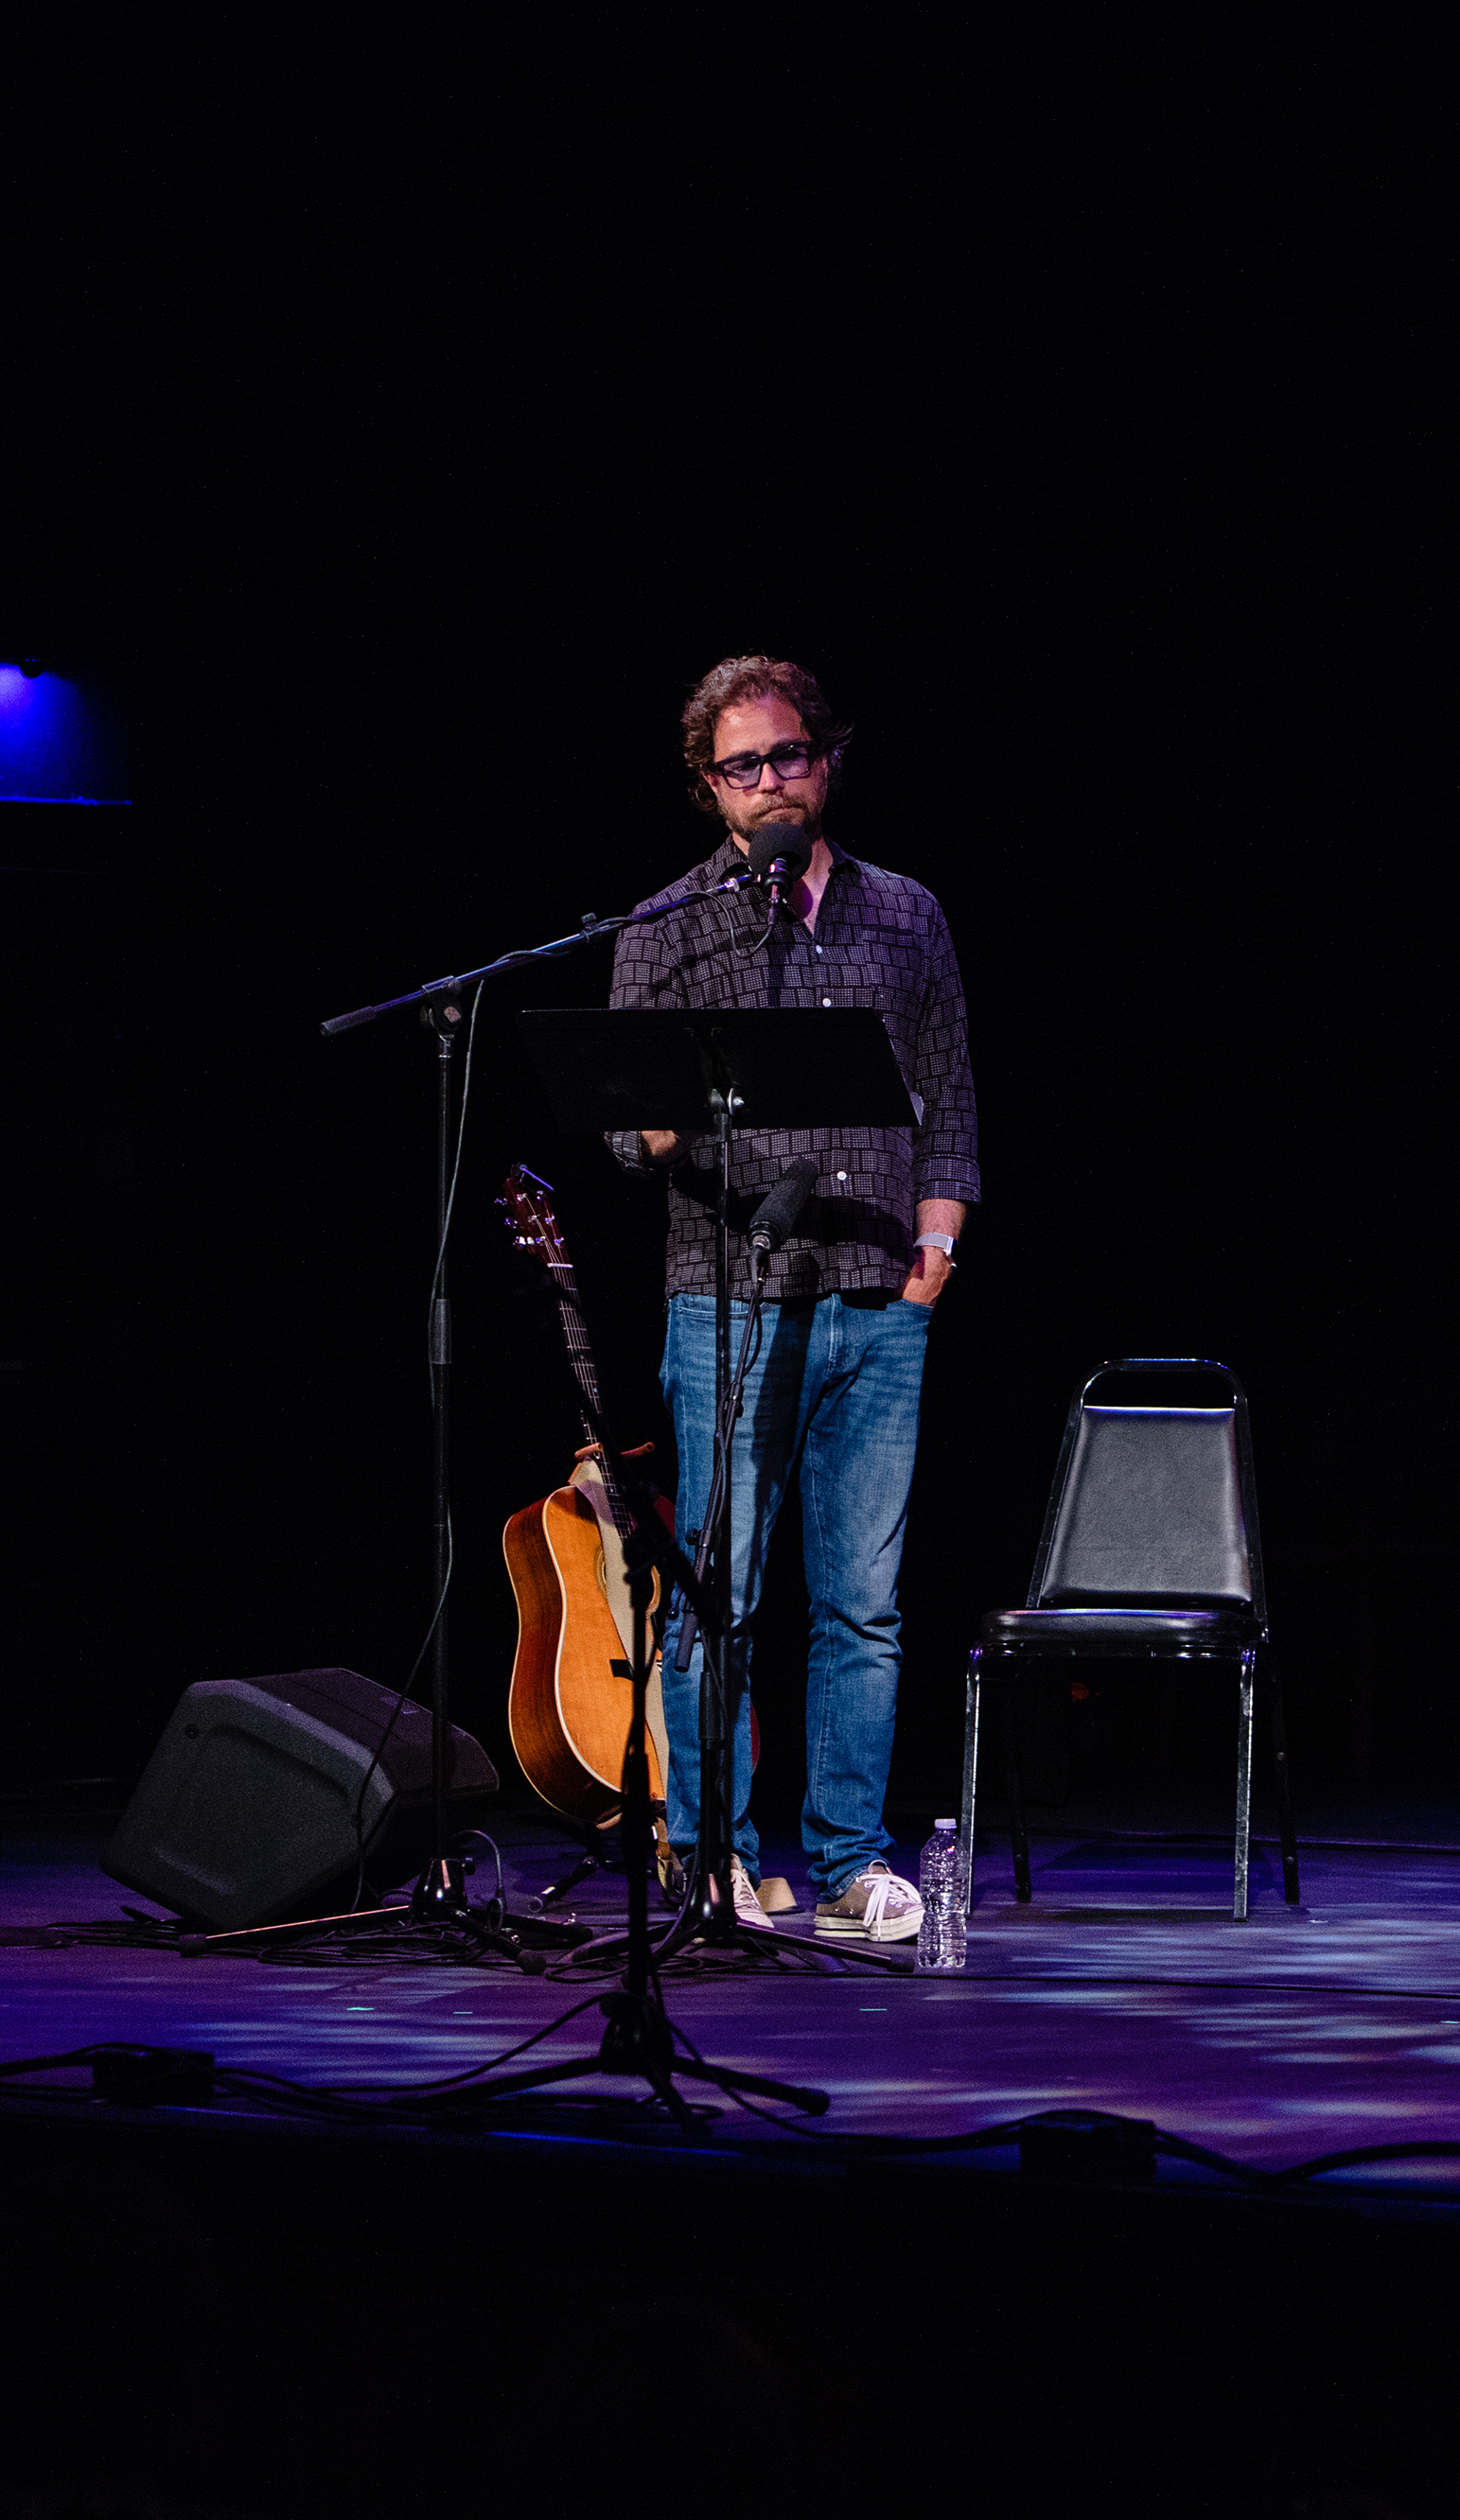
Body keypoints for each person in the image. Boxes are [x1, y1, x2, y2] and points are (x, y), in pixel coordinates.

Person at [605, 654, 979, 1941]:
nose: (770, 783)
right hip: (728, 1297)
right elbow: (620, 1126)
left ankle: (845, 1865)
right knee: (722, 1594)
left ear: (828, 761)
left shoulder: (906, 915)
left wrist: (937, 1253)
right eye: (741, 766)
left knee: (861, 1604)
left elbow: (953, 1096)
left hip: (878, 1291)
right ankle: (709, 1859)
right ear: (709, 787)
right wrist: (665, 1121)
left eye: (790, 757)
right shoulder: (666, 927)